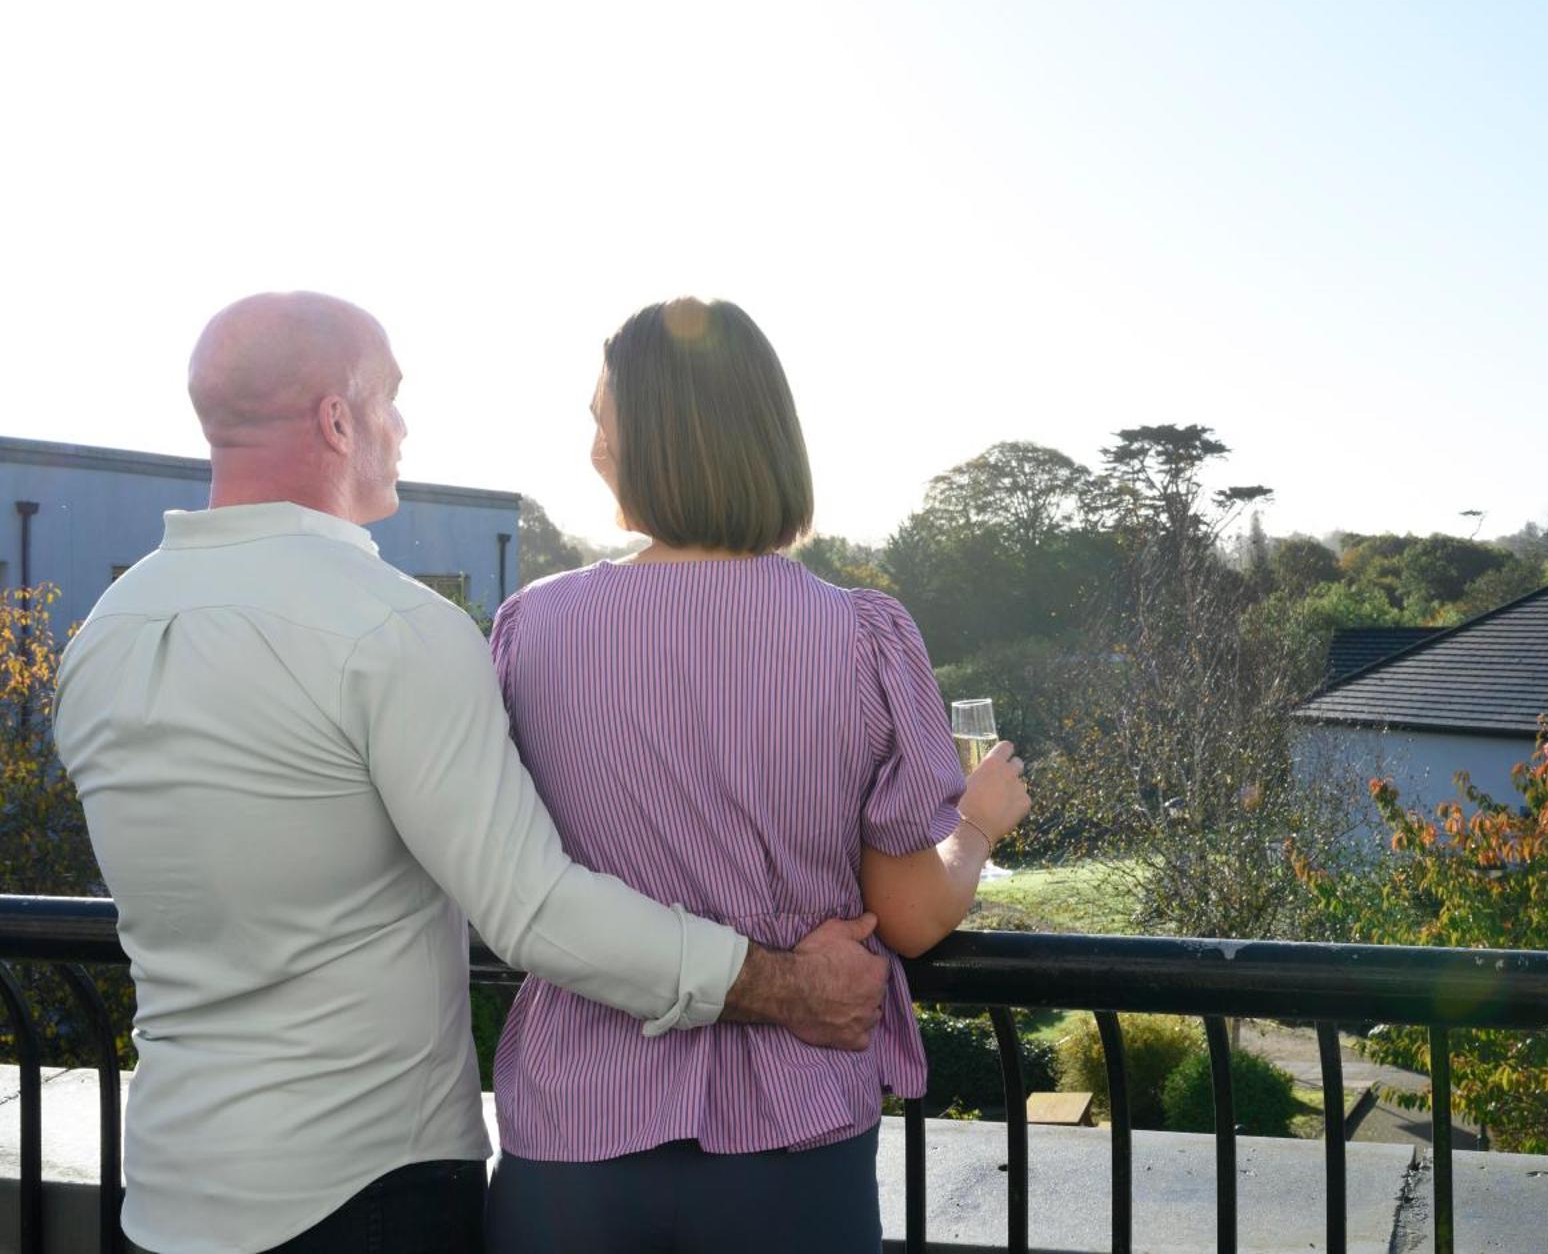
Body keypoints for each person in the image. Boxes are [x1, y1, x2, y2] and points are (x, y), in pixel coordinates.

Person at [51, 291, 955, 1254]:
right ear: (336, 419)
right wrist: (790, 984)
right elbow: (529, 907)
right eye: (391, 399)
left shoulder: (103, 636)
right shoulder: (392, 630)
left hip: (175, 1186)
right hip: (376, 1178)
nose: (403, 426)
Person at [482, 298, 1032, 1252]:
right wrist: (977, 826)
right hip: (789, 1136)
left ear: (653, 439)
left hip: (573, 1133)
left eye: (602, 418)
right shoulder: (858, 635)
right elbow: (905, 914)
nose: (593, 447)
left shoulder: (533, 630)